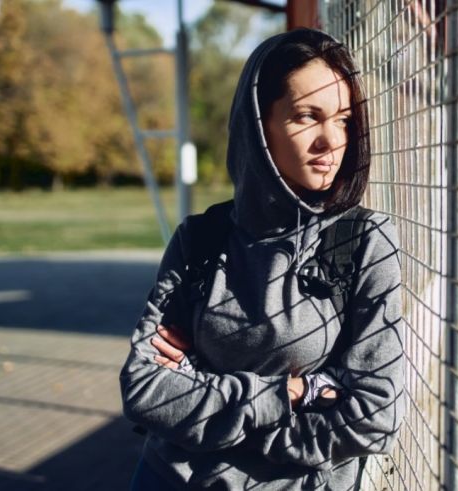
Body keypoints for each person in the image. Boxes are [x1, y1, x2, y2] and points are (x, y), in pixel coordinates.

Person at [120, 27, 405, 490]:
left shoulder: (364, 243)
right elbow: (143, 389)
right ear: (258, 126)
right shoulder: (200, 240)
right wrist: (292, 393)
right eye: (306, 117)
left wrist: (205, 394)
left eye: (345, 120)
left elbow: (375, 415)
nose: (331, 141)